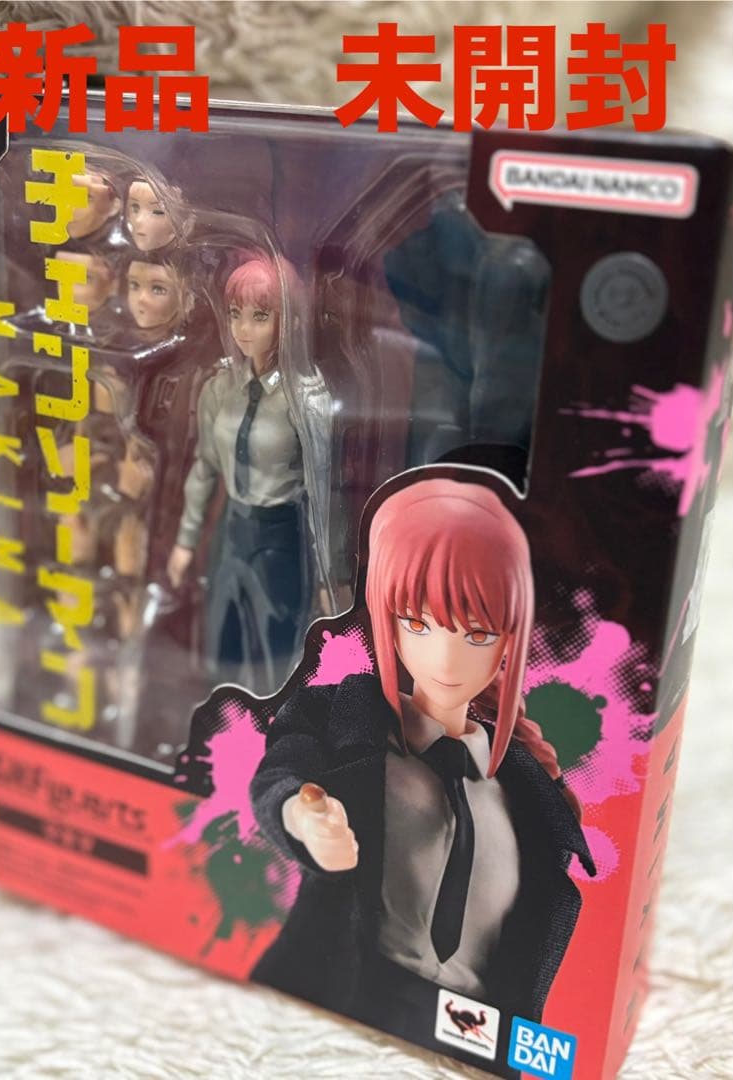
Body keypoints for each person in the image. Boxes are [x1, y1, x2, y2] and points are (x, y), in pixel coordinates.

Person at [250, 478, 595, 1072]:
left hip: (474, 1037)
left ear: (509, 642)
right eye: (417, 623)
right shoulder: (344, 718)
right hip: (347, 1005)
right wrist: (303, 820)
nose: (446, 659)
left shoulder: (525, 789)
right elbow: (282, 770)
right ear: (386, 619)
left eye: (477, 633)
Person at [167, 255, 311, 695]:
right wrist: (186, 540)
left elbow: (327, 490)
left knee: (275, 649)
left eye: (260, 316)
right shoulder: (219, 389)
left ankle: (274, 728)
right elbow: (205, 466)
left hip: (281, 536)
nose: (243, 328)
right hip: (231, 531)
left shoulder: (306, 399)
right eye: (235, 314)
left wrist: (334, 572)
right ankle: (221, 724)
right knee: (221, 643)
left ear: (289, 321)